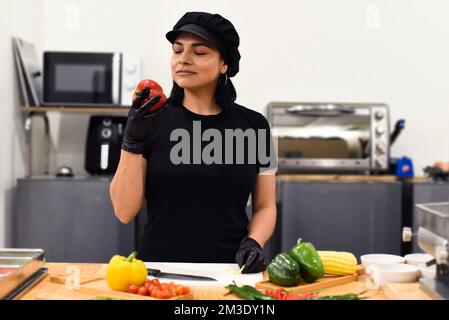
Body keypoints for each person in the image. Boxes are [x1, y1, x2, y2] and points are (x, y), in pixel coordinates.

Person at [110, 12, 277, 273]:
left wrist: (254, 242)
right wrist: (132, 141)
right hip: (159, 271)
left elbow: (266, 205)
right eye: (178, 50)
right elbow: (123, 211)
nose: (183, 59)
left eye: (199, 52)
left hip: (231, 271)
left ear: (225, 64)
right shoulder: (150, 121)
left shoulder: (255, 126)